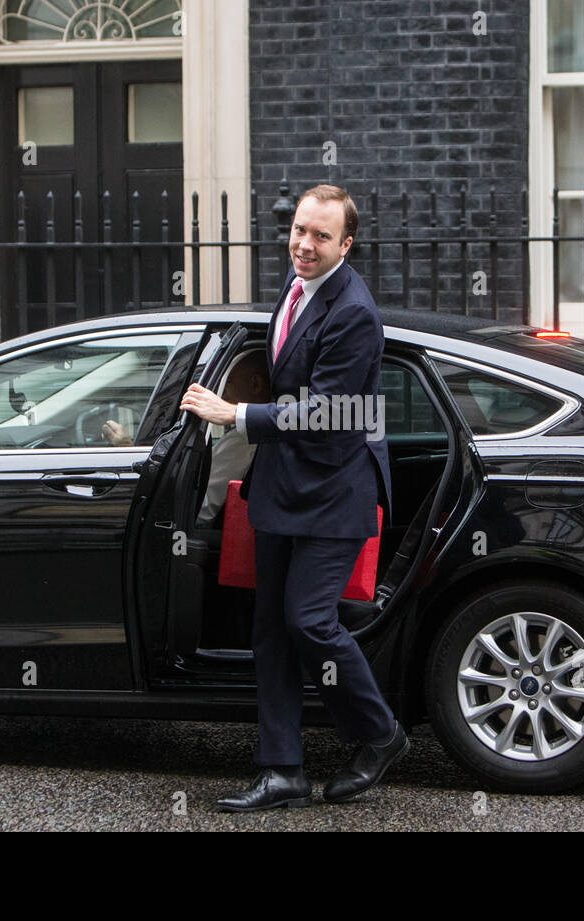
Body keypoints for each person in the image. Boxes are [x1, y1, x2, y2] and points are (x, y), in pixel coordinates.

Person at [179, 184, 407, 811]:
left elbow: (328, 410)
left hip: (335, 491)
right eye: (300, 230)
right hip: (284, 487)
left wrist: (237, 414)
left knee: (309, 620)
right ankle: (282, 771)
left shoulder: (354, 310)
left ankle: (381, 733)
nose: (304, 244)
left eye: (320, 236)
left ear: (346, 244)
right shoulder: (298, 285)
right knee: (271, 632)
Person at [194, 351, 268, 527]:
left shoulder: (242, 441)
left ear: (255, 384)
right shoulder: (257, 436)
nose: (221, 394)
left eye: (228, 382)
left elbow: (202, 511)